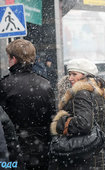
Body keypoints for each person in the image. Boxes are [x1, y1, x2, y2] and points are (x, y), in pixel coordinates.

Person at [0, 39, 56, 170]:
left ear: (13, 59)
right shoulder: (45, 84)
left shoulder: (5, 85)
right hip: (42, 149)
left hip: (13, 150)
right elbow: (52, 118)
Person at [49, 58, 105, 170]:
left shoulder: (82, 93)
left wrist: (61, 122)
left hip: (83, 155)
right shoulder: (98, 93)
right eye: (69, 74)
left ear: (85, 75)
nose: (70, 78)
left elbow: (84, 123)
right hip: (96, 151)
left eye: (74, 74)